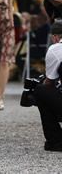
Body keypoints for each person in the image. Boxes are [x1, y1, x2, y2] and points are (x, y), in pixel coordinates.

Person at [34, 20, 62, 151]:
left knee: (40, 90)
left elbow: (49, 82)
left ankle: (56, 141)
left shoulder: (55, 49)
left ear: (54, 37)